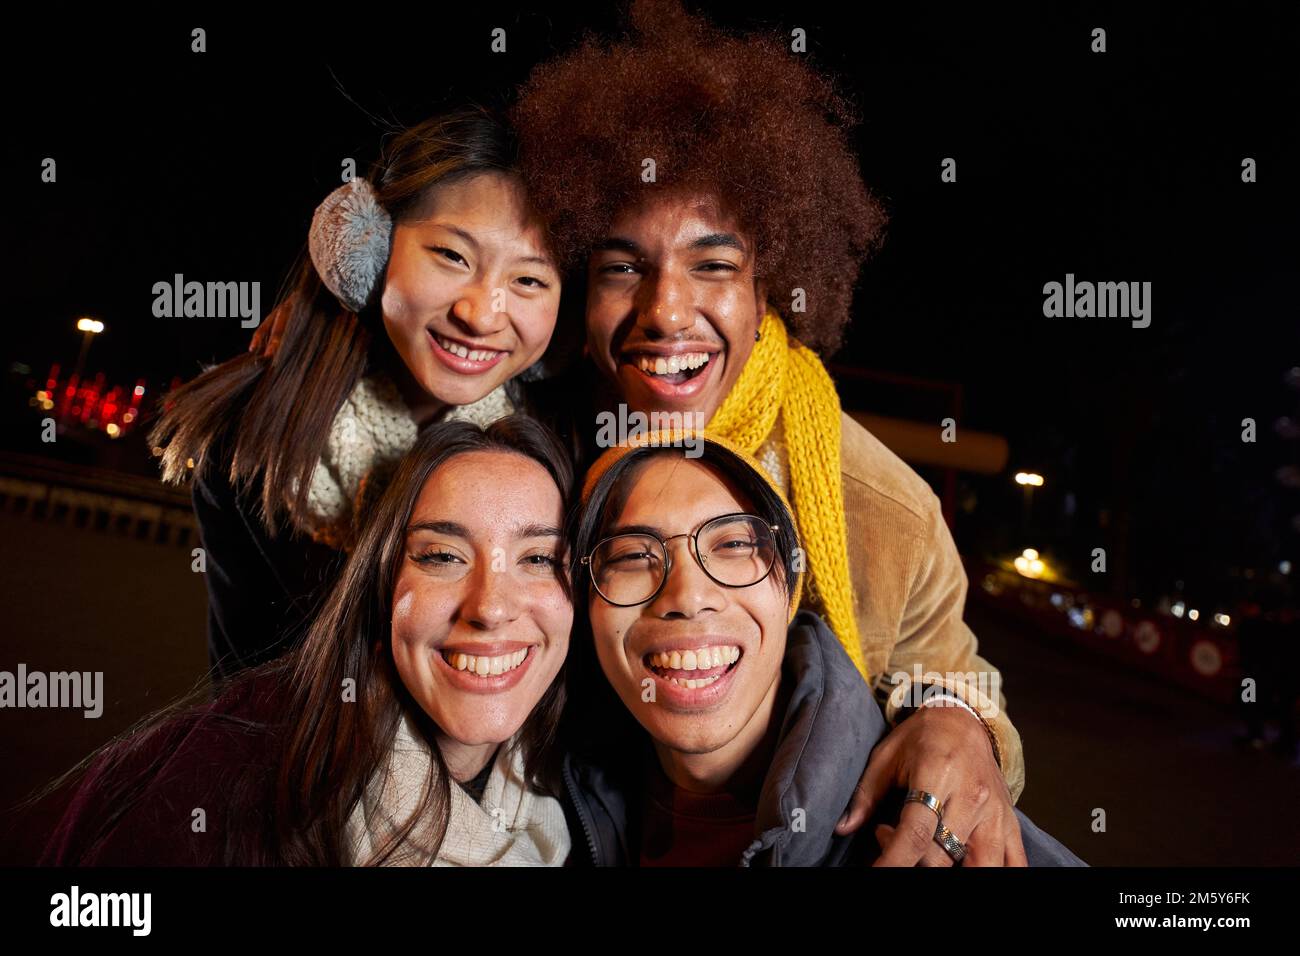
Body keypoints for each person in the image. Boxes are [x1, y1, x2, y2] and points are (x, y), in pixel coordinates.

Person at [511, 0, 1030, 865]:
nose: (665, 311)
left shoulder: (886, 511)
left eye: (713, 265)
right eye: (622, 267)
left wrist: (961, 720)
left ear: (771, 289)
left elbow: (961, 673)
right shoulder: (529, 447)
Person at [150, 105, 572, 678]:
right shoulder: (250, 440)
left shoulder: (566, 439)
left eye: (528, 279)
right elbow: (240, 689)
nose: (480, 315)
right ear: (368, 252)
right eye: (451, 256)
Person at [42, 418, 573, 866]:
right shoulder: (208, 787)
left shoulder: (575, 799)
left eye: (538, 560)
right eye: (442, 556)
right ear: (379, 583)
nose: (490, 607)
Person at [561, 430, 1086, 867]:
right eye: (631, 555)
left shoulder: (950, 832)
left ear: (788, 589)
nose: (688, 596)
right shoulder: (551, 802)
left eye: (735, 545)